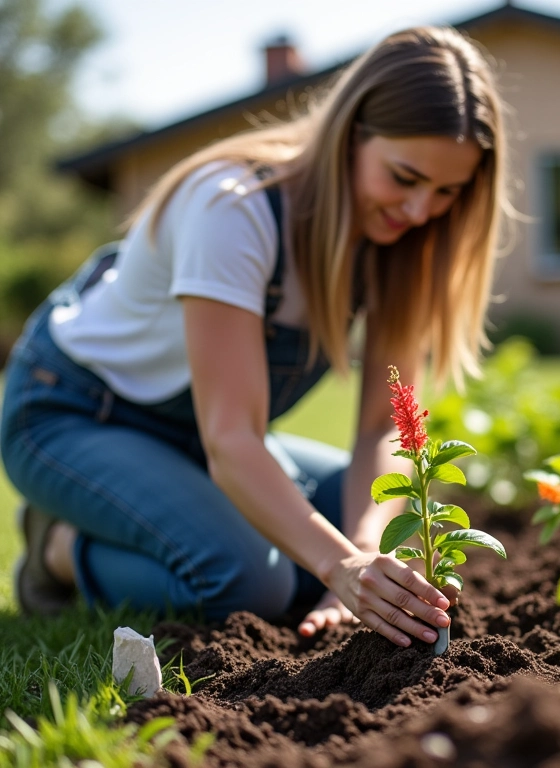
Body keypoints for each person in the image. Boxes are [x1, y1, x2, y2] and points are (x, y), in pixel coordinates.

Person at [0, 25, 507, 647]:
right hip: (75, 416)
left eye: (448, 192)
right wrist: (338, 564)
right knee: (252, 583)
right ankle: (56, 549)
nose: (420, 210)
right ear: (349, 136)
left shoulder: (395, 244)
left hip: (200, 438)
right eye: (404, 178)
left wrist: (367, 553)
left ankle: (165, 515)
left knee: (361, 525)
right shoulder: (235, 208)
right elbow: (233, 439)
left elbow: (382, 424)